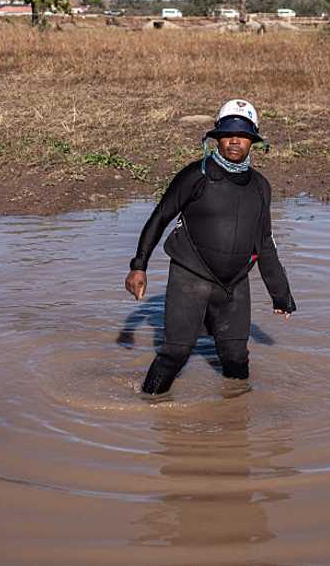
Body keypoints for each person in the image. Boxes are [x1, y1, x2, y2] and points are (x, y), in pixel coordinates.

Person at [124, 99, 296, 395]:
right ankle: (148, 402)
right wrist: (138, 266)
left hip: (234, 284)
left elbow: (265, 242)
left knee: (236, 357)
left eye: (242, 135)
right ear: (216, 138)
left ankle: (235, 414)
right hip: (190, 277)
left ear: (253, 141)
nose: (234, 141)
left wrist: (280, 294)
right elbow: (160, 216)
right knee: (176, 352)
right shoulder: (196, 175)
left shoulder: (260, 186)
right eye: (228, 134)